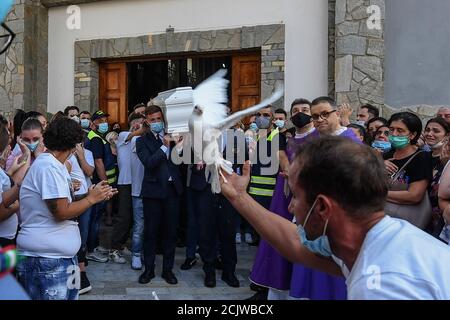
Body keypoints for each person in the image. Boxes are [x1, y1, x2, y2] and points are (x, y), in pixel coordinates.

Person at [220, 136, 450, 299]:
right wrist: (240, 197)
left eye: (296, 196)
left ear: (322, 207)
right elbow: (294, 243)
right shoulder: (378, 237)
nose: (290, 207)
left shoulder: (381, 286)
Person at [16, 117, 117, 300]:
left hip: (63, 258)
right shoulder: (48, 167)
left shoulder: (57, 165)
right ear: (74, 144)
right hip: (46, 260)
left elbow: (64, 202)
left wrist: (90, 194)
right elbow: (61, 212)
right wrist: (91, 200)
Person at [136, 105, 183, 285]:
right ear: (147, 121)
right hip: (153, 193)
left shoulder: (174, 137)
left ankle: (168, 270)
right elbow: (149, 162)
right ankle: (148, 270)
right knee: (151, 232)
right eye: (153, 120)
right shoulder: (141, 141)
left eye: (159, 119)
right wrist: (164, 148)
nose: (156, 123)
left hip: (173, 191)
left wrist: (179, 146)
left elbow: (182, 162)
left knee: (171, 233)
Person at [383, 112, 433, 228]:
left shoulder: (421, 158)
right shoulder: (385, 156)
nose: (394, 134)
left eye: (400, 131)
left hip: (404, 224)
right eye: (391, 129)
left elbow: (414, 195)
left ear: (412, 135)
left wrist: (379, 194)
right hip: (380, 218)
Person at [109, 113, 146, 265]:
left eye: (141, 123)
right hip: (125, 182)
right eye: (136, 122)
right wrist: (142, 127)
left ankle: (123, 244)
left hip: (138, 182)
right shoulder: (124, 135)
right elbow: (135, 133)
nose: (138, 125)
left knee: (134, 217)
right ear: (131, 123)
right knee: (123, 216)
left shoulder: (141, 139)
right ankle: (114, 249)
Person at [85, 110, 117, 263]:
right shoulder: (96, 139)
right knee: (95, 218)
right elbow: (98, 162)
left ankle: (93, 246)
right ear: (94, 123)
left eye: (105, 120)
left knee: (96, 217)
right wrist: (105, 185)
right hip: (99, 184)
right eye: (101, 120)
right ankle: (91, 249)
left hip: (99, 183)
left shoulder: (97, 137)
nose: (104, 123)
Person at [67, 137, 95, 295]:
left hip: (85, 199)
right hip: (71, 200)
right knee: (72, 237)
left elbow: (89, 171)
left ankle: (80, 276)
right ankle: (77, 278)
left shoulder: (86, 153)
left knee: (82, 237)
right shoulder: (64, 155)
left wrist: (81, 156)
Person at [423, 118, 450, 238]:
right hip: (420, 220)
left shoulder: (447, 163)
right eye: (427, 130)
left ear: (447, 135)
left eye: (436, 131)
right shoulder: (421, 156)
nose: (430, 134)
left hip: (440, 225)